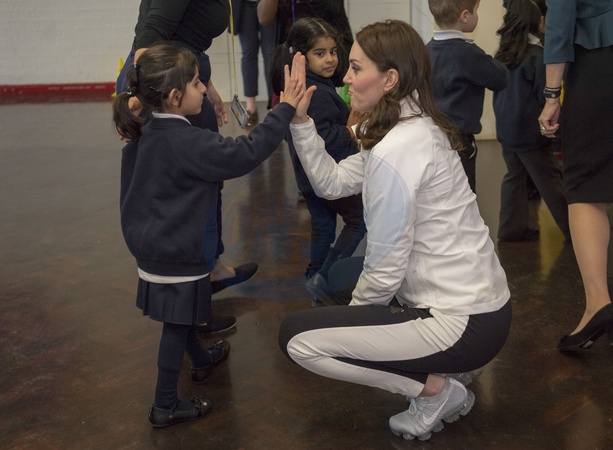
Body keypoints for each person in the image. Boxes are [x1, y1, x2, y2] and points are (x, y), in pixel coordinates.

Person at [279, 20, 511, 441]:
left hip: (464, 323)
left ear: (389, 79)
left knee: (298, 340)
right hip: (482, 311)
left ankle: (436, 391)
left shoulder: (397, 150)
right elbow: (331, 182)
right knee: (340, 277)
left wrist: (353, 333)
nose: (345, 79)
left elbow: (385, 268)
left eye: (355, 68)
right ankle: (449, 369)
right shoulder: (413, 125)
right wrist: (300, 122)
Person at [114, 43, 306, 427]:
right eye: (197, 83)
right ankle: (164, 405)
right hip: (175, 249)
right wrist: (284, 109)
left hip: (153, 245)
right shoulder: (188, 142)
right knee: (175, 326)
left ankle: (201, 360)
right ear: (174, 97)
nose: (204, 89)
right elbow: (246, 152)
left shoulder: (145, 129)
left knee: (180, 315)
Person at [116, 0, 259, 334]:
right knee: (190, 193)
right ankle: (192, 307)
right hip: (164, 90)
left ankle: (209, 273)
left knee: (205, 186)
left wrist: (205, 86)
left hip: (178, 84)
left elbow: (183, 38)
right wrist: (139, 98)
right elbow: (151, 35)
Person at [270, 17, 366, 306]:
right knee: (359, 220)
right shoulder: (317, 93)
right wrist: (351, 129)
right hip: (328, 173)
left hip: (307, 178)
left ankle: (314, 275)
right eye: (320, 53)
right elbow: (326, 138)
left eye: (333, 52)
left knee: (323, 227)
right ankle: (325, 278)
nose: (330, 59)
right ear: (301, 56)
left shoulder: (302, 86)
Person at [538, 1, 613, 351]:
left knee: (584, 184)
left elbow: (561, 17)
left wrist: (552, 94)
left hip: (599, 62)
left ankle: (598, 303)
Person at [493, 0, 570, 242]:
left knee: (514, 179)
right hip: (530, 134)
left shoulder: (503, 54)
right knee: (551, 182)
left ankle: (510, 229)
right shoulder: (538, 57)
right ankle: (575, 231)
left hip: (507, 131)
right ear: (539, 22)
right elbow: (545, 99)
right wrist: (557, 137)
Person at [426, 0, 509, 193]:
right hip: (459, 141)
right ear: (464, 16)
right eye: (476, 11)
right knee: (464, 194)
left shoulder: (426, 50)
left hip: (431, 138)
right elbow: (501, 79)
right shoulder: (467, 53)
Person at [231, 0, 276, 123]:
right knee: (248, 54)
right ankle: (250, 105)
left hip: (269, 4)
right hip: (244, 4)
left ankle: (273, 102)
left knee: (271, 54)